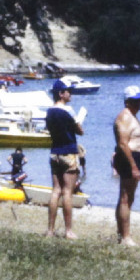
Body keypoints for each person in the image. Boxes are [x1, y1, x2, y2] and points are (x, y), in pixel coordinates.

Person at [44, 80, 84, 239]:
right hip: (68, 151)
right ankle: (68, 231)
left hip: (55, 152)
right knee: (68, 192)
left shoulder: (49, 111)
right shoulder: (68, 110)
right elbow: (80, 130)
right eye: (68, 91)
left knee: (56, 191)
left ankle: (50, 230)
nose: (70, 94)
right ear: (61, 93)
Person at [112, 85, 140, 246]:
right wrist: (133, 166)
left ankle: (122, 234)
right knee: (126, 198)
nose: (138, 104)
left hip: (135, 157)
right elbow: (122, 144)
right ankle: (125, 237)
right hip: (130, 158)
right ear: (127, 102)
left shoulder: (132, 116)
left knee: (128, 198)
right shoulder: (125, 117)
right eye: (134, 101)